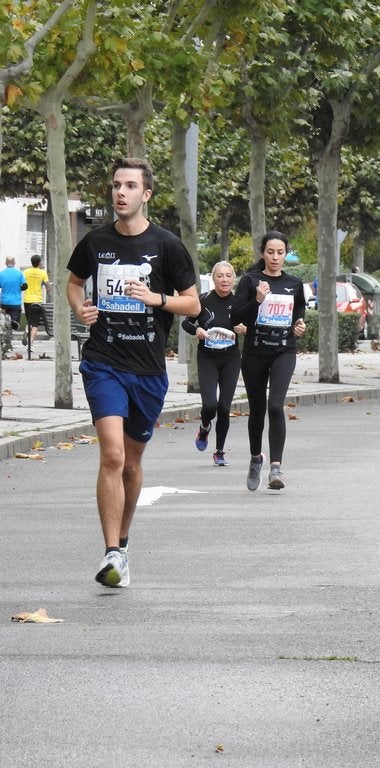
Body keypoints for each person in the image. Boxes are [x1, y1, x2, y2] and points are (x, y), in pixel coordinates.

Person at [67, 157, 200, 588]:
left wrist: (155, 298)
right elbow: (73, 282)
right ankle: (109, 552)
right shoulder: (96, 242)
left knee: (132, 464)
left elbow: (193, 304)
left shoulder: (166, 246)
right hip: (103, 362)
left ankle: (123, 547)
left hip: (148, 370)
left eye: (129, 186)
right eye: (116, 186)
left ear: (146, 194)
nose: (120, 192)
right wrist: (79, 308)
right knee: (112, 454)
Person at [230, 231, 307, 491]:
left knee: (275, 405)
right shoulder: (250, 280)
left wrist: (299, 325)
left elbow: (298, 314)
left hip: (283, 351)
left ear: (286, 254)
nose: (275, 257)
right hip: (255, 353)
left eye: (280, 252)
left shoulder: (294, 283)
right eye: (270, 252)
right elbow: (235, 316)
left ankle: (276, 467)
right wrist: (257, 300)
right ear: (262, 253)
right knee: (257, 410)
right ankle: (255, 458)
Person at [182, 261, 245, 467]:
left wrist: (245, 329)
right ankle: (204, 427)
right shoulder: (203, 300)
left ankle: (219, 451)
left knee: (224, 407)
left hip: (230, 358)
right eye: (220, 276)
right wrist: (196, 331)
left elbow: (251, 324)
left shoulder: (240, 302)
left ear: (233, 278)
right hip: (207, 357)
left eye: (228, 275)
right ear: (213, 278)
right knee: (210, 405)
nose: (224, 280)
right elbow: (186, 322)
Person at [22, 254, 52, 345]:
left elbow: (23, 284)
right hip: (37, 301)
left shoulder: (26, 272)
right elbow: (48, 287)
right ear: (39, 263)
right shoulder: (42, 273)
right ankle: (30, 344)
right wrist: (47, 287)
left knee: (29, 320)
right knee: (35, 324)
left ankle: (27, 331)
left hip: (27, 300)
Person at [0, 256, 26, 332]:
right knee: (14, 323)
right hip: (15, 303)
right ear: (14, 263)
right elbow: (25, 286)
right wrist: (18, 288)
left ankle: (5, 328)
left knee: (4, 320)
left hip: (4, 302)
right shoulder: (19, 274)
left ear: (5, 263)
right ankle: (12, 324)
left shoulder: (1, 274)